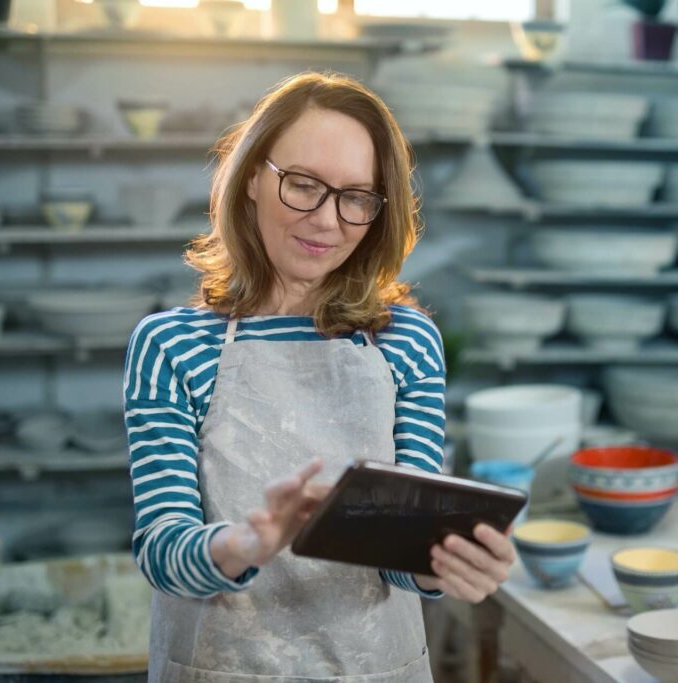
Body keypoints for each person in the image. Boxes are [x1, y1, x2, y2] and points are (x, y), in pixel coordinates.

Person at [123, 71, 516, 682]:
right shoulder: (172, 346)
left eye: (357, 196)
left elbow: (401, 555)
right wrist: (249, 544)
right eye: (303, 185)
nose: (328, 222)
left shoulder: (405, 344)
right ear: (252, 175)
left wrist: (442, 562)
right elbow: (161, 549)